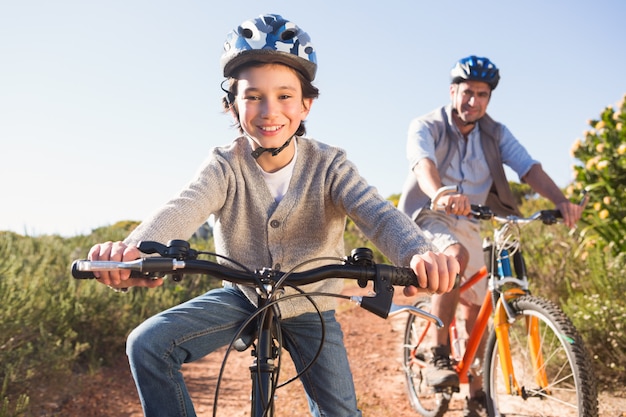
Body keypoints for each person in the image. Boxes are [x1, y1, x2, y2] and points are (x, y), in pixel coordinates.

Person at [88, 14, 459, 417]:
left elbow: (377, 213)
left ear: (306, 104)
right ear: (232, 104)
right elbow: (182, 207)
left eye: (284, 96)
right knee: (147, 344)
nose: (269, 111)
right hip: (243, 295)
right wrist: (130, 252)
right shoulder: (224, 166)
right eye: (252, 96)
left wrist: (416, 251)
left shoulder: (329, 165)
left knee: (341, 413)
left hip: (312, 302)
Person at [398, 55, 583, 417]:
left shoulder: (495, 133)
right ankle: (437, 353)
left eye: (482, 94)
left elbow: (528, 168)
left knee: (480, 305)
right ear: (453, 92)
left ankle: (477, 395)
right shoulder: (427, 125)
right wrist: (440, 193)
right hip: (428, 214)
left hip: (472, 221)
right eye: (468, 92)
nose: (474, 101)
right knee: (456, 259)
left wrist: (562, 201)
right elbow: (423, 164)